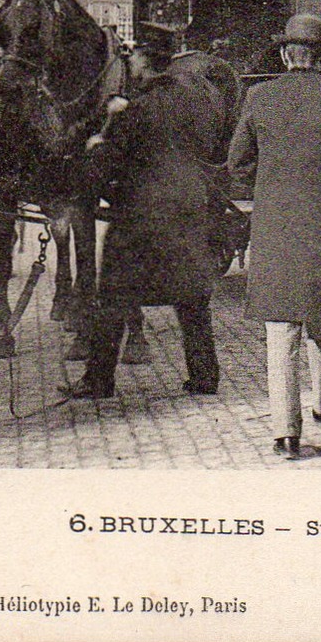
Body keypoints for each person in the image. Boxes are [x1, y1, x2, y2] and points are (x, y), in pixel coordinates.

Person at [227, 15, 321, 458]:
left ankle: (285, 434)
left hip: (275, 227)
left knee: (280, 331)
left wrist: (270, 188)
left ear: (284, 53)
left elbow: (237, 164)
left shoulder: (259, 96)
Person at [64, 23, 225, 400]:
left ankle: (98, 380)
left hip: (141, 218)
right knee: (193, 298)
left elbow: (105, 169)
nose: (130, 61)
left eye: (134, 55)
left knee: (113, 297)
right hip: (188, 210)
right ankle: (205, 377)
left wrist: (99, 138)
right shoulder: (195, 102)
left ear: (145, 61)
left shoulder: (134, 110)